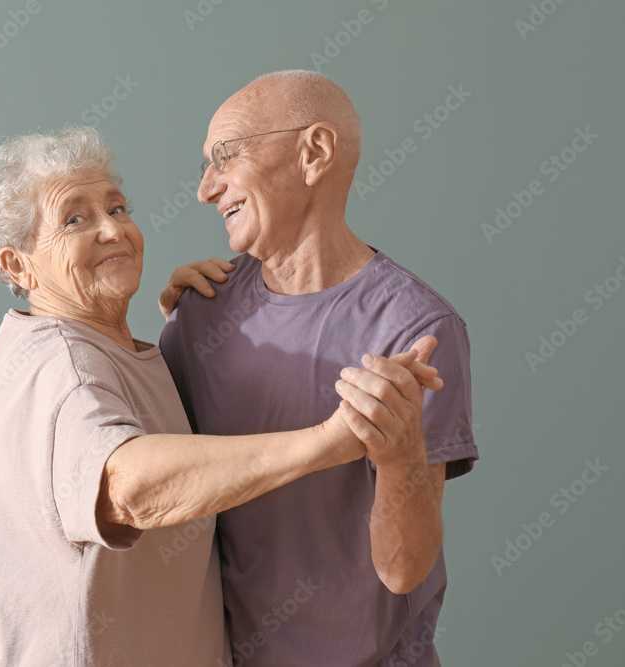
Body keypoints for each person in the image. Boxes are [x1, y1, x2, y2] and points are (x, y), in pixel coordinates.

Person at [0, 125, 442, 666]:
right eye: (74, 219)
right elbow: (127, 485)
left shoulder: (98, 350)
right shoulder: (65, 365)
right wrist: (330, 441)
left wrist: (198, 330)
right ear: (16, 264)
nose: (111, 230)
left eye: (118, 209)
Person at [156, 70, 480, 666]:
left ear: (314, 153)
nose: (206, 188)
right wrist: (19, 502)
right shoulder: (201, 315)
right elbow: (134, 473)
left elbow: (404, 570)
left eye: (225, 156)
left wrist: (399, 451)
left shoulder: (416, 330)